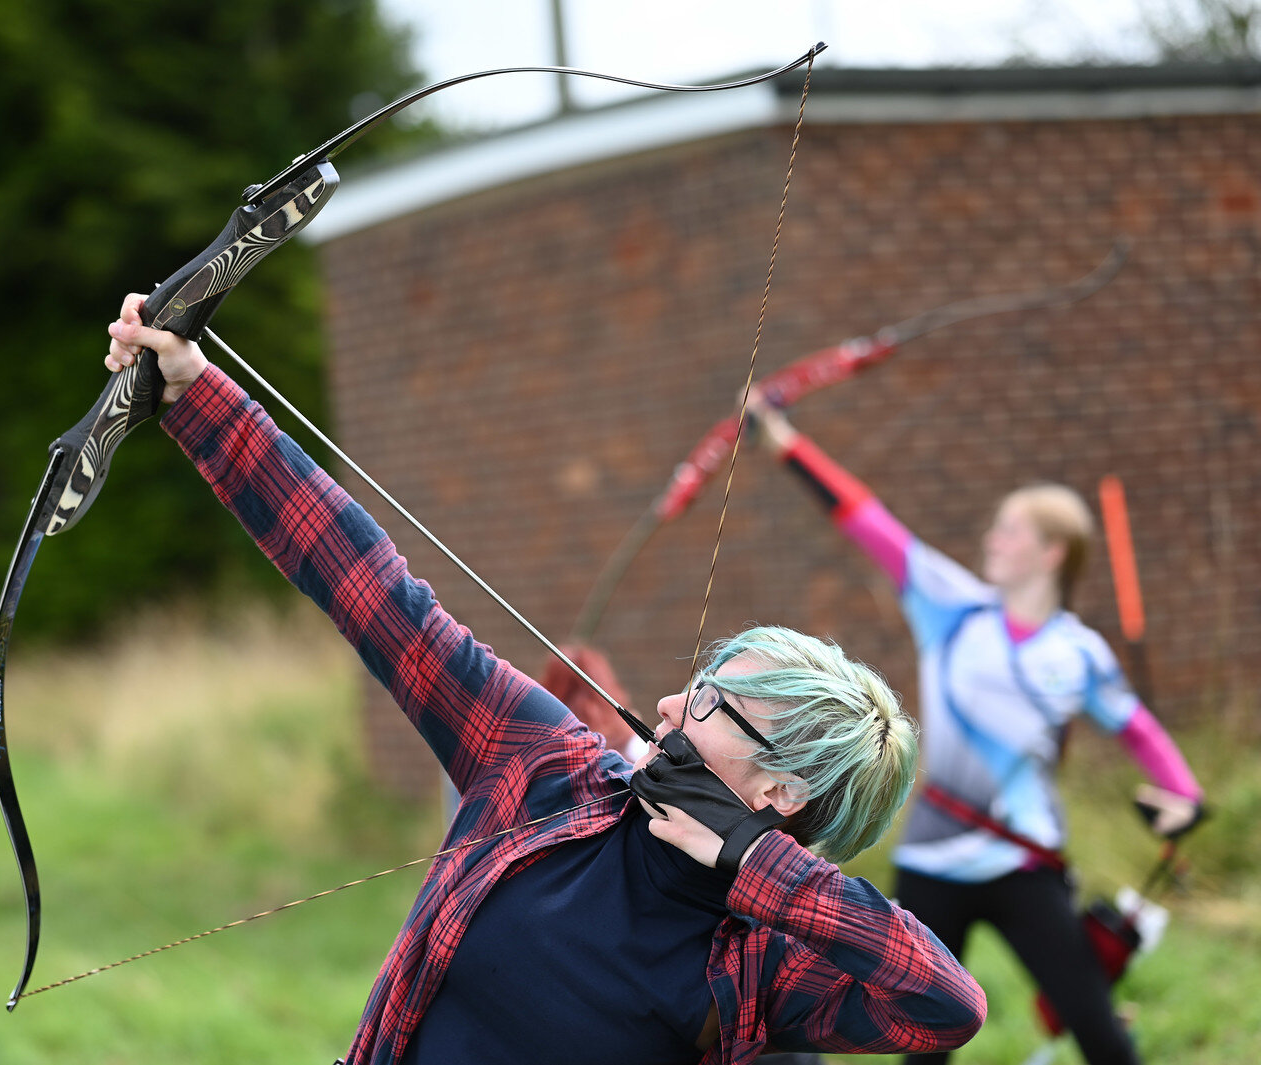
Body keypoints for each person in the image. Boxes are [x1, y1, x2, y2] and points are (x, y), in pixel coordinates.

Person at [103, 294, 987, 1065]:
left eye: (718, 704)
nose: (676, 703)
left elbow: (946, 1005)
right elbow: (370, 591)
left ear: (778, 787)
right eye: (697, 679)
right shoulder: (548, 766)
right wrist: (194, 392)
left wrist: (756, 863)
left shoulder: (757, 961)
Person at [743, 389, 1204, 1065]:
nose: (993, 537)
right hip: (932, 861)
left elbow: (1140, 731)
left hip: (1025, 863)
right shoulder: (951, 607)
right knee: (923, 1044)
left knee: (1100, 1032)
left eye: (1011, 529)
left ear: (1052, 552)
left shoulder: (1078, 651)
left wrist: (1184, 796)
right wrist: (785, 442)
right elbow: (868, 520)